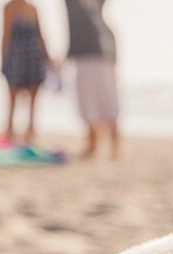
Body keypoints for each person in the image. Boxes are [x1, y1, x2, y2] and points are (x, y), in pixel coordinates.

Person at [64, 0, 120, 160]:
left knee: (105, 100)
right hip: (88, 52)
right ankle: (93, 144)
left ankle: (112, 144)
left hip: (102, 50)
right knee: (89, 101)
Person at [1, 0, 50, 143]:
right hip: (16, 55)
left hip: (33, 55)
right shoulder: (8, 8)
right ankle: (10, 129)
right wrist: (3, 59)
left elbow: (40, 34)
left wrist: (48, 57)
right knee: (13, 94)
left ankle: (31, 129)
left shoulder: (33, 8)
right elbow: (5, 34)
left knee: (34, 94)